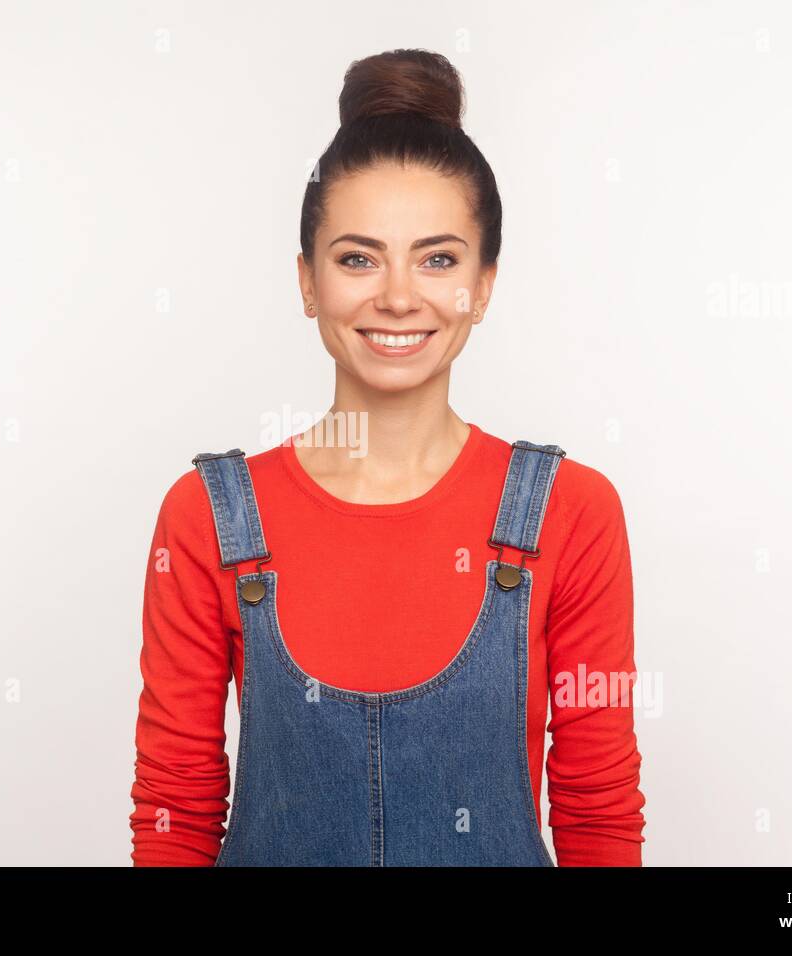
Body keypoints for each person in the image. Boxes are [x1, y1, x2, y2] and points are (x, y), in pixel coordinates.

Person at [130, 48, 645, 866]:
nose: (398, 295)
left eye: (438, 258)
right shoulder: (206, 518)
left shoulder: (572, 514)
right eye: (357, 258)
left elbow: (599, 809)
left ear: (485, 282)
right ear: (308, 282)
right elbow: (175, 808)